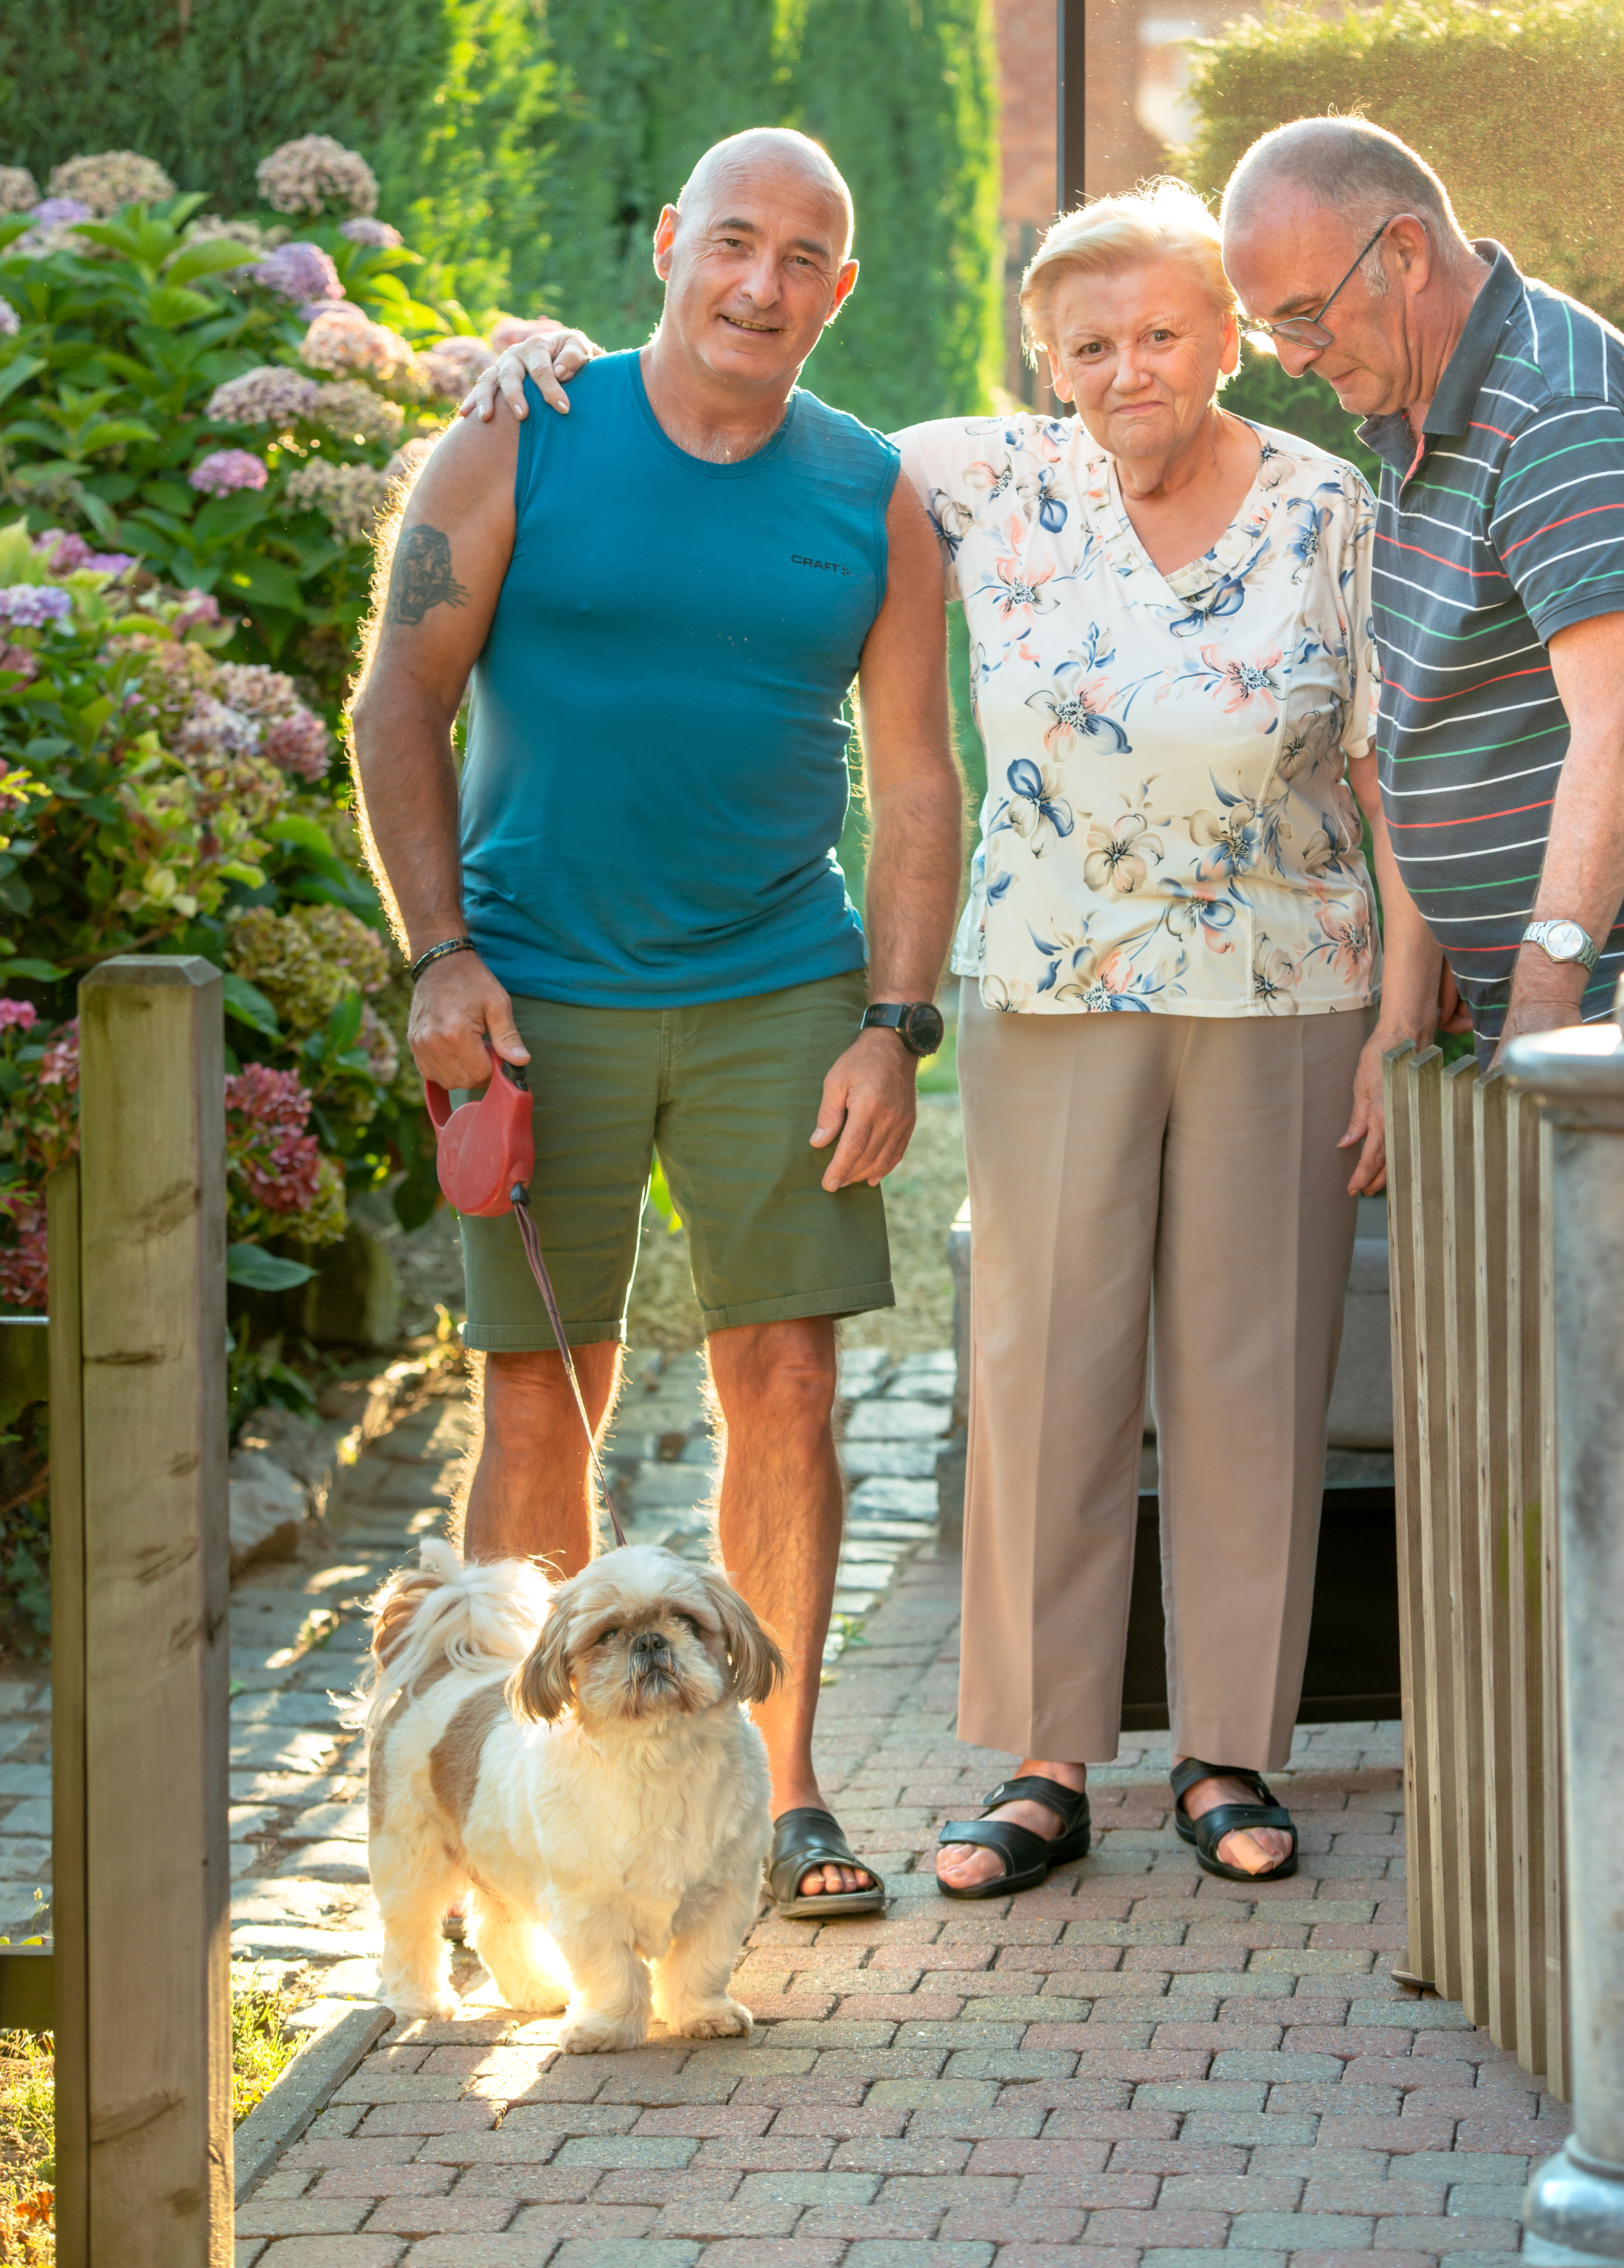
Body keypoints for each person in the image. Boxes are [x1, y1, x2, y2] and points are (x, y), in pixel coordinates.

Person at [461, 174, 1440, 1895]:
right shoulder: (959, 475)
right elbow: (728, 405)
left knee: (1247, 1374)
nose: (1126, 365)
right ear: (1040, 358)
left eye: (1159, 331)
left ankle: (1227, 1750)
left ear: (1223, 334)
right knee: (1043, 1370)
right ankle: (1040, 1760)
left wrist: (1398, 1023)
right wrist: (559, 364)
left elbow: (1391, 780)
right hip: (1048, 980)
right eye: (1088, 341)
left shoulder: (1325, 505)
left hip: (1289, 986)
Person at [350, 126, 964, 1917]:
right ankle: (528, 1813)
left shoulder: (872, 496)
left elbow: (916, 784)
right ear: (671, 247)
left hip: (780, 982)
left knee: (786, 1373)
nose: (761, 285)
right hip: (534, 989)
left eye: (802, 259)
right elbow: (399, 698)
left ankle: (772, 1799)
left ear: (837, 291)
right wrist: (439, 955)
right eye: (734, 244)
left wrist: (894, 1024)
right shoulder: (517, 428)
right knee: (542, 1386)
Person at [1219, 119, 1624, 1060]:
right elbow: (1435, 726)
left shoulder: (1550, 412)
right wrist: (1406, 1017)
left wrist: (1544, 997)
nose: (1293, 356)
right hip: (1561, 995)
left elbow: (1618, 732)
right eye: (1270, 331)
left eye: (1304, 314)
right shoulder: (1416, 404)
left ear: (1404, 252)